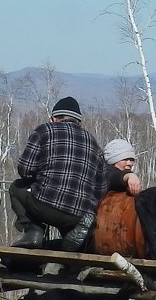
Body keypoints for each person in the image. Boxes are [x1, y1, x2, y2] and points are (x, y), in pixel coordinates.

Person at [9, 96, 105, 251]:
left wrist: (39, 179)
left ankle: (33, 231)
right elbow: (100, 187)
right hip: (78, 215)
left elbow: (25, 169)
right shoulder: (93, 142)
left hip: (44, 204)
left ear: (53, 118)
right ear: (78, 121)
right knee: (73, 243)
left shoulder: (44, 130)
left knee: (16, 188)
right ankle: (71, 248)